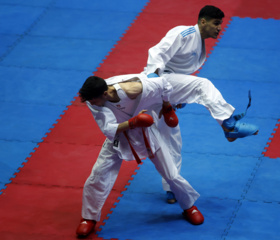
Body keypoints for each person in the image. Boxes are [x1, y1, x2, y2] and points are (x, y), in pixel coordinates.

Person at [144, 5, 259, 203]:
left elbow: (180, 74)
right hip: (156, 83)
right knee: (202, 85)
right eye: (216, 23)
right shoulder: (183, 33)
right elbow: (157, 53)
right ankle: (228, 125)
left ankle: (172, 186)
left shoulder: (199, 44)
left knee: (173, 142)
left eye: (220, 24)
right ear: (203, 21)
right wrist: (154, 79)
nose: (219, 28)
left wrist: (177, 97)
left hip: (167, 93)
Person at [75, 74, 204, 238]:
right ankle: (89, 218)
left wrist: (167, 107)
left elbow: (164, 84)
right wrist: (133, 122)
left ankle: (189, 206)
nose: (90, 104)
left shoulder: (137, 88)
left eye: (93, 100)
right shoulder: (93, 100)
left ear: (105, 94)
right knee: (99, 174)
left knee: (171, 174)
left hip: (147, 132)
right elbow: (108, 129)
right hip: (118, 137)